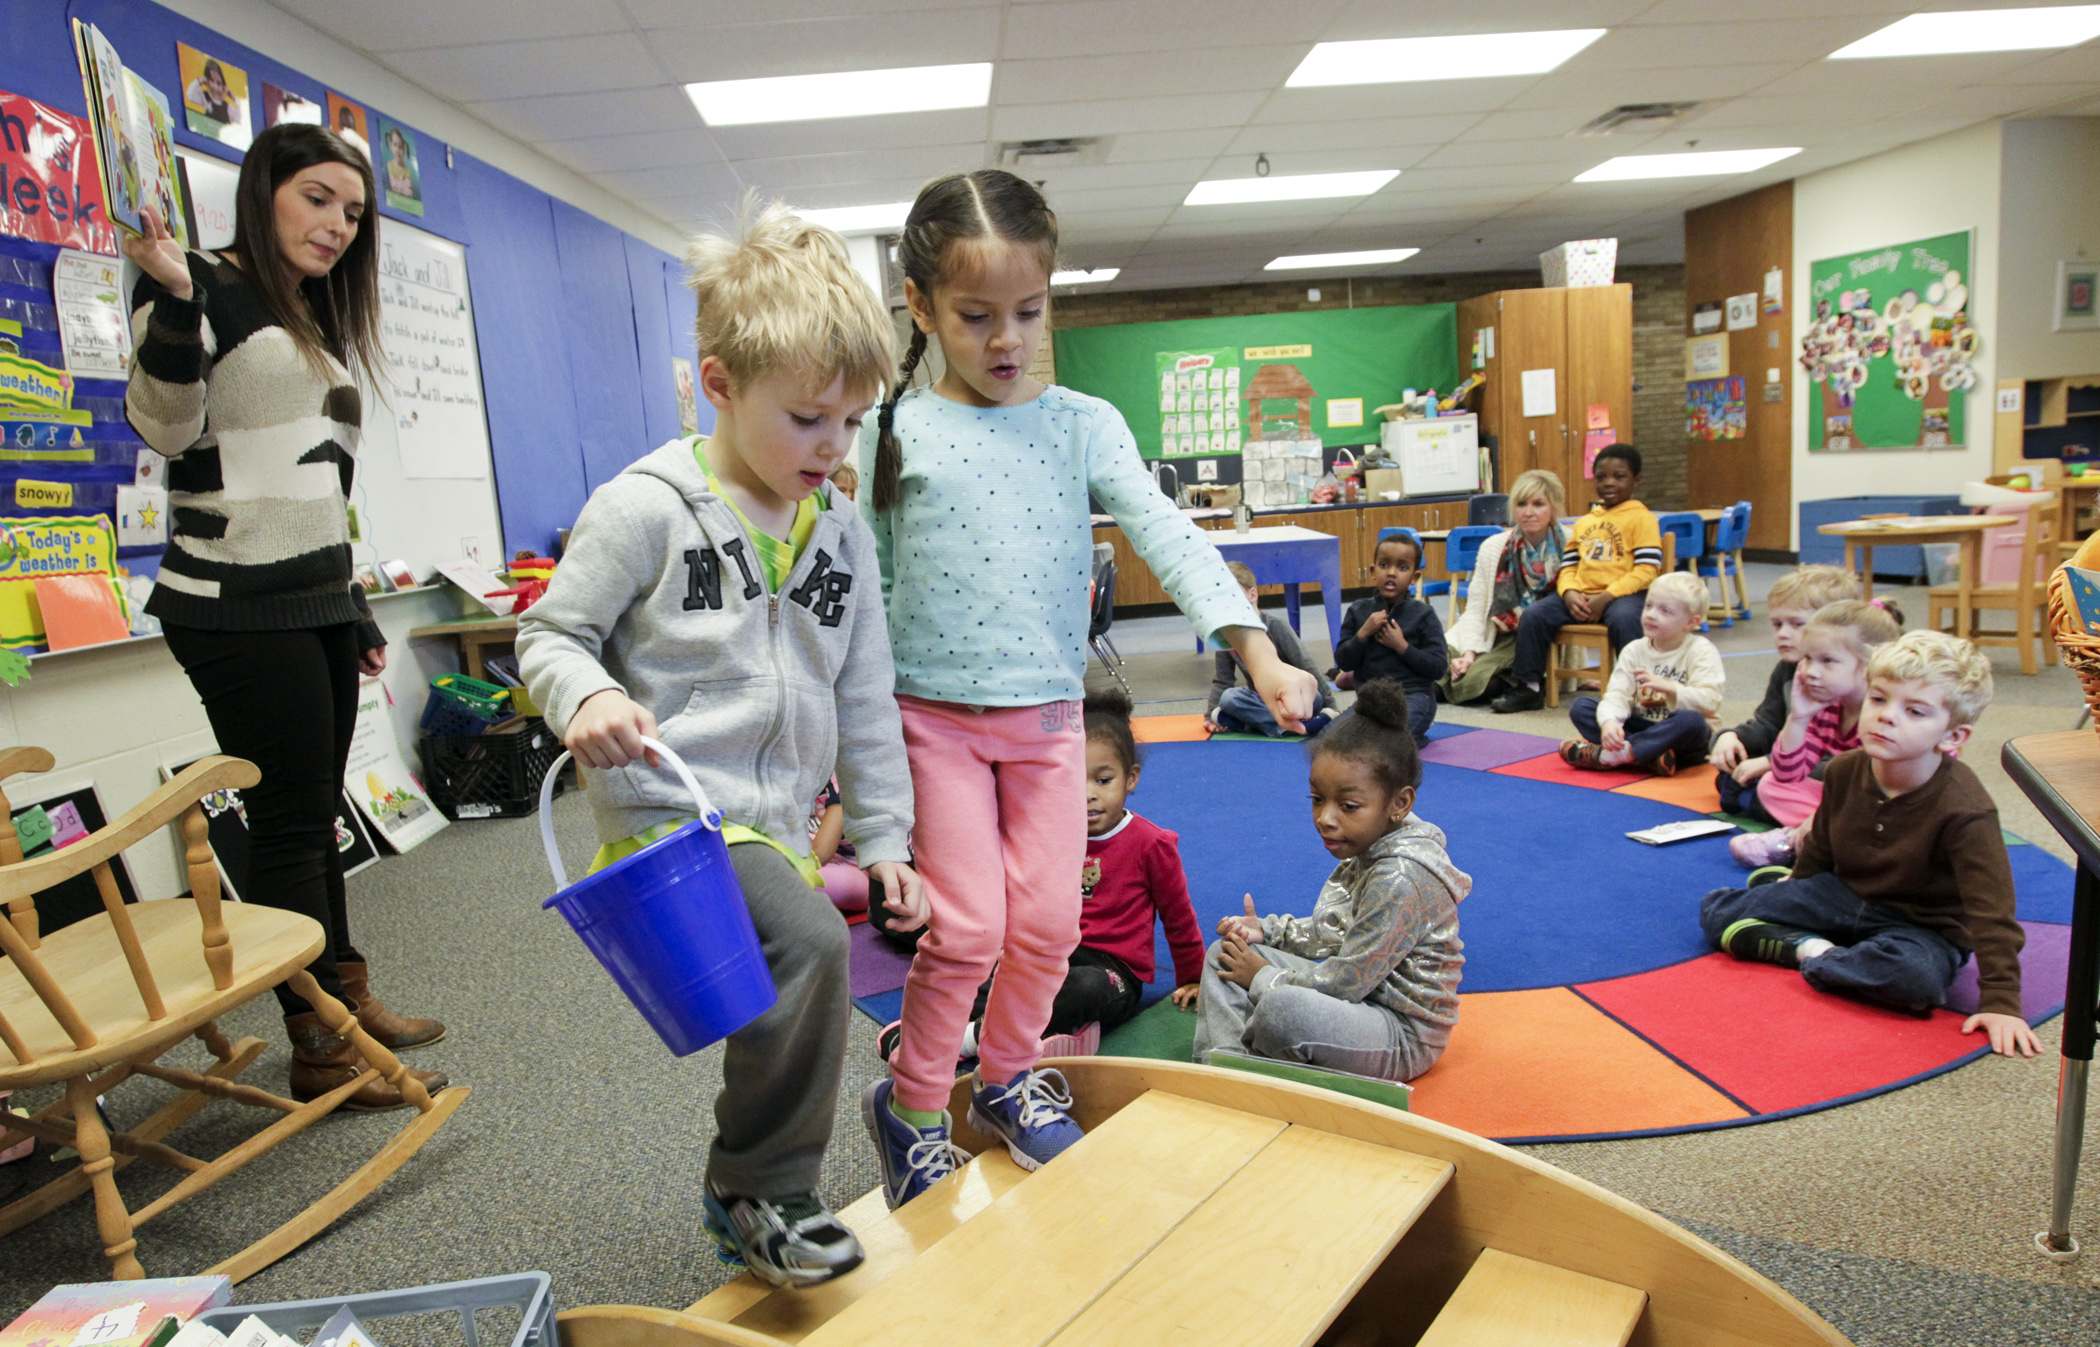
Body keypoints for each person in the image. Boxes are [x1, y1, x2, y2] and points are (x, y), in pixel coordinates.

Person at [859, 169, 1318, 1209]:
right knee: (968, 928)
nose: (1007, 338)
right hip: (933, 722)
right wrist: (857, 757)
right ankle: (917, 1105)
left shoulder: (1081, 423)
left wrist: (1254, 651)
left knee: (1051, 927)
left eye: (1030, 310)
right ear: (921, 307)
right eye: (976, 317)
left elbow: (1170, 534)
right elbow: (871, 596)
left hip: (1051, 724)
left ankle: (1012, 1078)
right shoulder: (891, 432)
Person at [517, 199, 927, 1289]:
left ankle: (748, 1178)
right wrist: (588, 695)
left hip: (783, 822)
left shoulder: (838, 525)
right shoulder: (645, 507)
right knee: (817, 950)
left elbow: (867, 690)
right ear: (719, 386)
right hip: (672, 818)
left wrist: (886, 838)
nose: (832, 448)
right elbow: (550, 634)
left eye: (850, 423)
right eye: (806, 420)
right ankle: (762, 1188)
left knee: (787, 975)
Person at [123, 123, 445, 1111]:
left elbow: (316, 489)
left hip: (308, 598)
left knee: (315, 814)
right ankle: (320, 1044)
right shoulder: (198, 285)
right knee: (292, 822)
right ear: (263, 193)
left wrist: (349, 605)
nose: (337, 225)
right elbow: (166, 426)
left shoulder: (306, 316)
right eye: (317, 199)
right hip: (231, 601)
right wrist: (173, 298)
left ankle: (342, 990)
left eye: (352, 212)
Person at [1700, 632, 2039, 1058]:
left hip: (1921, 925)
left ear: (1952, 737)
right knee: (1718, 912)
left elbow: (1992, 911)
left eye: (1914, 711)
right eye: (1878, 700)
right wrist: (1798, 884)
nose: (1886, 717)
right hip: (1844, 894)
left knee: (1915, 981)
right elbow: (1823, 842)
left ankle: (1809, 950)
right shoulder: (1844, 769)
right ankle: (1812, 937)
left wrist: (2003, 1003)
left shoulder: (1966, 811)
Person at [879, 687, 1206, 1063]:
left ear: (1131, 778)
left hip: (1112, 971)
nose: (1087, 795)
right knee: (991, 974)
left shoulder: (1152, 844)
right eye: (1074, 780)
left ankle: (969, 1040)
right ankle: (930, 1031)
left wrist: (1193, 977)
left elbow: (1179, 918)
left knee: (1084, 988)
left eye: (1103, 780)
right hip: (1045, 953)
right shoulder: (1044, 832)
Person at [1191, 680, 1467, 1082]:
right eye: (1317, 799)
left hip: (1401, 1033)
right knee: (1225, 955)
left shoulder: (1401, 877)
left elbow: (1347, 982)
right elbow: (1334, 931)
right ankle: (1228, 1070)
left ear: (1399, 803)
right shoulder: (1370, 844)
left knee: (1281, 1009)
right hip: (1357, 1005)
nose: (1326, 817)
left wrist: (1263, 977)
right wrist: (1266, 932)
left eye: (1348, 805)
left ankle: (1248, 1074)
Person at [1730, 599, 1904, 869]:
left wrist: (1822, 817)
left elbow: (1882, 793)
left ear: (1870, 665)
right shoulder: (1829, 708)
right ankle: (1824, 838)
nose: (1811, 671)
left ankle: (1809, 838)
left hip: (1889, 807)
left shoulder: (1887, 716)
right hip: (1848, 805)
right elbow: (1787, 773)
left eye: (1828, 661)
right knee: (1769, 785)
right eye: (1808, 659)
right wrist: (1798, 717)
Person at [1492, 444, 1661, 714]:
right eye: (1602, 477)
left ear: (1636, 480)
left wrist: (1607, 597)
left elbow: (1647, 570)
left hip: (1624, 595)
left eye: (1619, 476)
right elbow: (1568, 567)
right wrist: (1569, 592)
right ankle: (1529, 687)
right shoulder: (1586, 522)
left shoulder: (1642, 519)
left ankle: (1639, 690)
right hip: (1582, 595)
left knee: (1625, 619)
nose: (1609, 483)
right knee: (1535, 615)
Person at [1710, 565, 1862, 818]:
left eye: (1797, 624)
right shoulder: (1787, 669)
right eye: (1777, 624)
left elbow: (1838, 759)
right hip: (1791, 762)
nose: (1783, 634)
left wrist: (1768, 764)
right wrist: (1731, 737)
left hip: (1829, 774)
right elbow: (1768, 725)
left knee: (1751, 785)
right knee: (1734, 771)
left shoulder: (1844, 679)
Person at [1558, 572, 1724, 777]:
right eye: (1648, 606)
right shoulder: (1634, 650)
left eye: (1665, 611)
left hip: (1680, 738)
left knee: (1692, 721)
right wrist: (1610, 723)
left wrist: (1669, 687)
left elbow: (1710, 701)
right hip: (1642, 728)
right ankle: (1646, 755)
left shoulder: (1700, 650)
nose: (1651, 614)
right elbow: (1617, 694)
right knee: (1582, 707)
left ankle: (1620, 754)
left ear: (1691, 622)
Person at [1441, 469, 1567, 705]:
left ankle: (1513, 681)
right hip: (1490, 631)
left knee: (1472, 683)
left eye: (1538, 504)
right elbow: (1476, 609)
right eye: (1521, 504)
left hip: (1526, 640)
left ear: (1554, 508)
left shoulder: (1570, 544)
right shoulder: (1493, 547)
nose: (1528, 512)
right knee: (1437, 670)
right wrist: (1469, 653)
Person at [1333, 532, 1446, 742]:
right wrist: (1362, 634)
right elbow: (1343, 660)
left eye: (1402, 568)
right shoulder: (1358, 611)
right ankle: (1395, 740)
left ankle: (1406, 740)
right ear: (1373, 571)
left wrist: (1402, 647)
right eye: (1384, 566)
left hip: (1412, 698)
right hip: (1370, 701)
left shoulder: (1424, 615)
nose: (1392, 573)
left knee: (1384, 740)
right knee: (1332, 738)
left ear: (1414, 577)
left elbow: (1438, 668)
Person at [1208, 561, 1335, 737]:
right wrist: (1210, 716)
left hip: (1296, 698)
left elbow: (1306, 665)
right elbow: (1223, 680)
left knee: (1316, 698)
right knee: (1229, 698)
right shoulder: (1227, 634)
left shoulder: (1276, 626)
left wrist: (1331, 709)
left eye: (1233, 596)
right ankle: (1294, 726)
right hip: (1262, 700)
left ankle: (1254, 725)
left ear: (1252, 594)